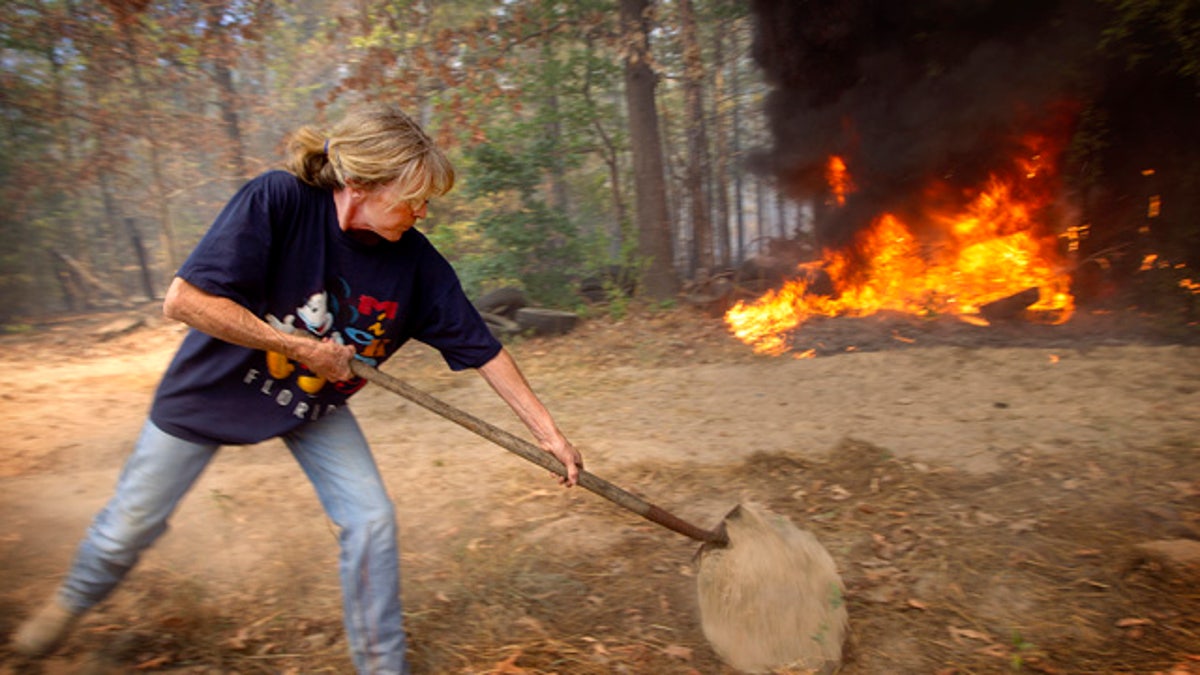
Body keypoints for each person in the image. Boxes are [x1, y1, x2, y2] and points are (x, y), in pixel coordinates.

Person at [11, 103, 584, 674]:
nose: (423, 210)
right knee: (130, 524)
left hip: (311, 403)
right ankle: (72, 603)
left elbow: (485, 349)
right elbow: (182, 301)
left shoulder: (418, 266)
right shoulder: (279, 201)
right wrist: (301, 348)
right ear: (361, 183)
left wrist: (550, 435)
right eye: (413, 196)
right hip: (213, 385)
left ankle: (383, 668)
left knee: (371, 520)